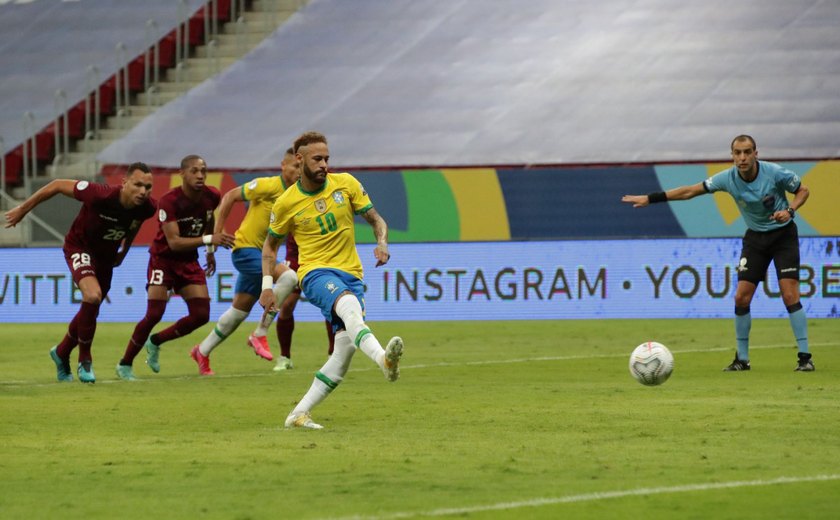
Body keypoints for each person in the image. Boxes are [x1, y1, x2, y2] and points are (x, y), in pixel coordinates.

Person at [622, 135, 813, 372]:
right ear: (732, 155)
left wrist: (790, 210)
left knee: (789, 295)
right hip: (755, 239)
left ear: (756, 153)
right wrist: (651, 198)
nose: (742, 157)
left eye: (747, 152)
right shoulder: (727, 178)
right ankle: (742, 360)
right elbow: (689, 191)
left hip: (783, 236)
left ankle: (805, 358)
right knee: (741, 297)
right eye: (737, 153)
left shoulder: (774, 173)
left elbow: (803, 190)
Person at [260, 131, 403, 429]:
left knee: (344, 351)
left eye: (327, 158)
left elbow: (377, 219)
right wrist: (267, 287)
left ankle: (297, 414)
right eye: (317, 159)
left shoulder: (346, 184)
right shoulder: (286, 203)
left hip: (351, 273)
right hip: (314, 273)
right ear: (300, 160)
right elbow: (270, 247)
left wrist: (383, 243)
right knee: (348, 306)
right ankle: (383, 361)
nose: (324, 164)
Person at [4, 164, 156, 383]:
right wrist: (23, 209)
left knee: (91, 308)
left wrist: (125, 249)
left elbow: (134, 224)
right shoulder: (99, 194)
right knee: (93, 296)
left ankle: (62, 352)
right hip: (80, 248)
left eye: (148, 187)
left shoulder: (147, 207)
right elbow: (56, 185)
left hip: (106, 257)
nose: (143, 191)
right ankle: (85, 359)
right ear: (125, 183)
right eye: (138, 184)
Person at [193, 148, 333, 375]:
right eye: (294, 167)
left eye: (301, 167)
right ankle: (260, 334)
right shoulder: (268, 185)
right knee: (289, 277)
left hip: (265, 257)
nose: (299, 172)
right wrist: (217, 235)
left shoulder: (297, 195)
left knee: (238, 312)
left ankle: (202, 350)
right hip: (246, 250)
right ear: (283, 166)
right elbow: (229, 196)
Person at [116, 155, 235, 380]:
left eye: (203, 171)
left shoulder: (212, 195)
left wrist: (210, 252)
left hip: (189, 260)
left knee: (201, 314)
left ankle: (156, 341)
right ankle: (125, 364)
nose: (200, 175)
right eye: (194, 171)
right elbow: (175, 242)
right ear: (182, 174)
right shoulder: (169, 201)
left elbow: (208, 219)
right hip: (163, 259)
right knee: (154, 314)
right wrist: (210, 240)